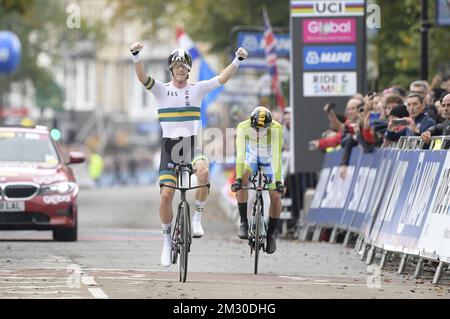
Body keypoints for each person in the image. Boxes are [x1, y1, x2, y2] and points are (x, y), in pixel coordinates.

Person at [131, 42, 248, 267]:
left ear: (189, 69)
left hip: (191, 144)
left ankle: (196, 218)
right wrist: (136, 56)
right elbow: (142, 77)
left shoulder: (197, 88)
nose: (181, 69)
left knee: (203, 172)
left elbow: (222, 79)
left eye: (184, 66)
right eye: (177, 66)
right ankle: (166, 241)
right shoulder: (161, 90)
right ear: (171, 69)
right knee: (166, 195)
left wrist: (237, 60)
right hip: (169, 147)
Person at [231, 106, 285, 254]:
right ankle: (243, 221)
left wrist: (278, 182)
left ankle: (271, 234)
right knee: (243, 180)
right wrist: (238, 179)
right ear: (250, 123)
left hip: (269, 158)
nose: (260, 133)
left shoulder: (276, 127)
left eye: (264, 129)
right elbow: (241, 154)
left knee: (275, 195)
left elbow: (276, 156)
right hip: (252, 156)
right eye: (257, 130)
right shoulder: (243, 126)